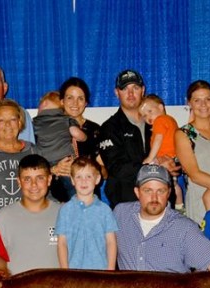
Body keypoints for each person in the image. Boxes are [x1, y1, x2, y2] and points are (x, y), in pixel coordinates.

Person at [0, 154, 61, 274]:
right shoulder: (4, 217)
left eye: (40, 178)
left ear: (49, 179)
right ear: (19, 182)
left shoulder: (63, 214)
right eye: (27, 179)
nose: (34, 185)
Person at [174, 80, 210, 225]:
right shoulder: (184, 134)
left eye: (208, 99)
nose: (203, 105)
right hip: (201, 204)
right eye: (197, 100)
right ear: (189, 103)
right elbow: (195, 175)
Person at [100, 70, 156, 206]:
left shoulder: (158, 122)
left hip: (159, 202)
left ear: (143, 90)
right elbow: (117, 168)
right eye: (125, 88)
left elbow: (173, 156)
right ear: (116, 92)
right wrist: (155, 165)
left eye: (135, 88)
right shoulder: (109, 128)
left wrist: (171, 162)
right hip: (126, 204)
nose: (130, 94)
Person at [56, 157, 118, 270]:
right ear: (72, 180)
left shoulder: (105, 210)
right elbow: (62, 243)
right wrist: (65, 272)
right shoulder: (65, 210)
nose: (83, 181)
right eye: (78, 177)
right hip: (74, 273)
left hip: (100, 272)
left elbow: (111, 242)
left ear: (97, 179)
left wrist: (110, 270)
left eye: (88, 176)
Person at [32, 91, 86, 202]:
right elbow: (77, 134)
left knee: (47, 190)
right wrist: (84, 137)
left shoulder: (35, 123)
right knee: (73, 189)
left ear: (44, 105)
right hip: (66, 161)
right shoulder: (66, 120)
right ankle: (76, 206)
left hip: (45, 162)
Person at [139, 94, 184, 209]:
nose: (147, 116)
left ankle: (174, 207)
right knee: (172, 185)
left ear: (160, 107)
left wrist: (150, 158)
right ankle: (179, 206)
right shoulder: (170, 120)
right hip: (173, 157)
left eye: (150, 111)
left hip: (165, 158)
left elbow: (158, 139)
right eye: (144, 115)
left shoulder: (160, 120)